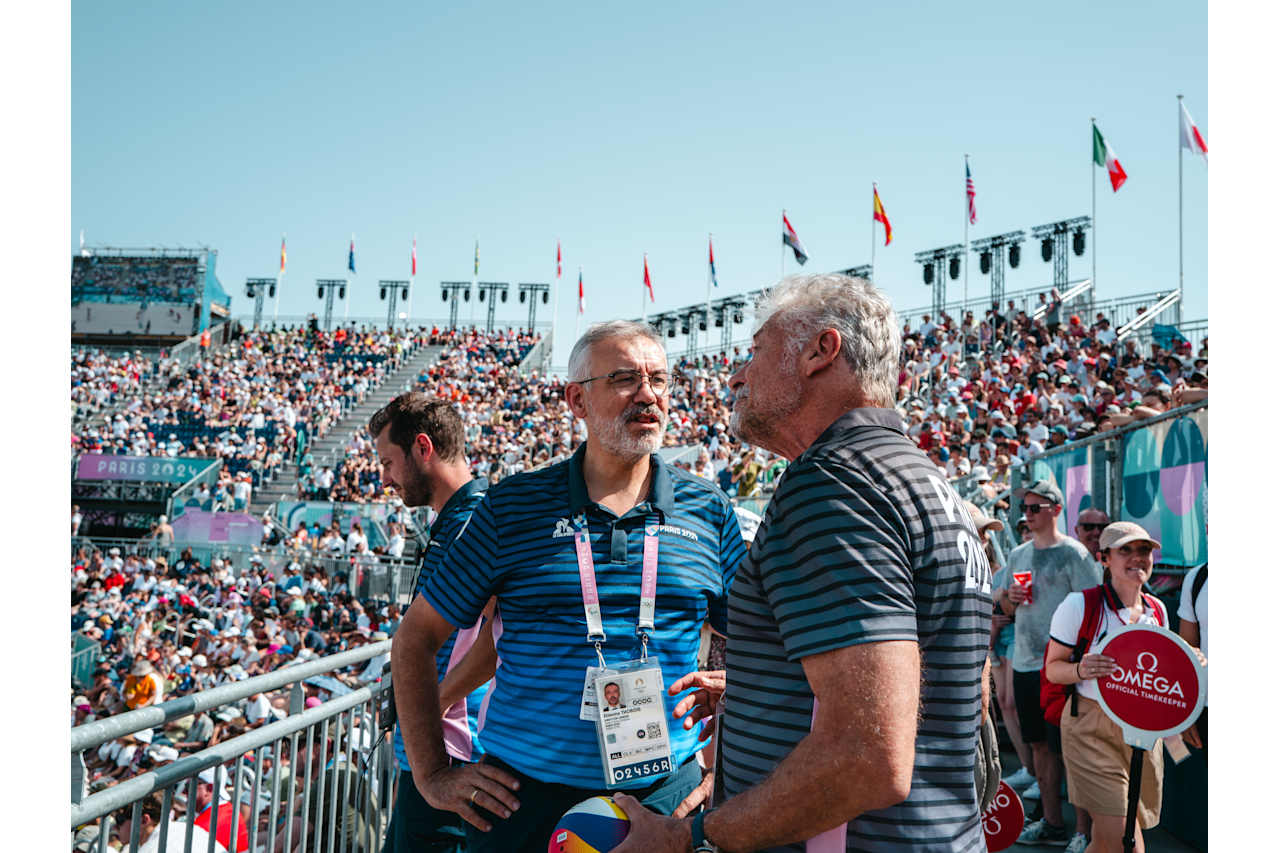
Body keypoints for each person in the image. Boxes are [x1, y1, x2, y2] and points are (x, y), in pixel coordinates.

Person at [614, 274, 990, 852]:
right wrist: (764, 695)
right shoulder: (921, 477)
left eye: (757, 349)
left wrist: (691, 838)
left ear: (822, 351)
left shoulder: (833, 482)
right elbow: (950, 691)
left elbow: (868, 756)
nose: (737, 375)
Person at [392, 320, 745, 853]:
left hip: (662, 797)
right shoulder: (512, 508)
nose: (648, 394)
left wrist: (729, 736)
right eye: (625, 378)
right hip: (518, 799)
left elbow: (754, 641)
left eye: (659, 379)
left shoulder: (708, 510)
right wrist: (431, 774)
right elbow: (415, 639)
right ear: (577, 400)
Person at [370, 393, 494, 853]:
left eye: (388, 462)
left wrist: (428, 704)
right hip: (437, 753)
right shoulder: (459, 518)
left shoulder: (477, 522)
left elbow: (498, 642)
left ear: (423, 448)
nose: (384, 478)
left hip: (455, 754)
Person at [1046, 522, 1202, 853]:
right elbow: (1053, 670)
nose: (1137, 558)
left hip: (1144, 733)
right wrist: (1079, 668)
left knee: (1109, 840)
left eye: (1144, 550)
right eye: (1125, 550)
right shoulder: (1080, 605)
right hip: (1091, 731)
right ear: (1104, 559)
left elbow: (1164, 675)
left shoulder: (1157, 610)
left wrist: (1193, 662)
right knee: (1125, 841)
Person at [996, 479, 1101, 846]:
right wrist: (1009, 597)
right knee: (1039, 747)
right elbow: (1006, 608)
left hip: (1063, 668)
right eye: (1024, 508)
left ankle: (1083, 832)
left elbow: (1094, 605)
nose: (1027, 514)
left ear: (1056, 510)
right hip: (1026, 663)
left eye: (1035, 508)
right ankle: (1053, 824)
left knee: (1071, 751)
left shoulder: (1074, 554)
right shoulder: (1018, 555)